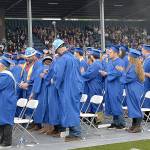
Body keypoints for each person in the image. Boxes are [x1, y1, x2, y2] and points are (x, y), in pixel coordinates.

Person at [52, 39, 83, 142]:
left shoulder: (63, 59)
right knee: (73, 109)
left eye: (56, 50)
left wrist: (54, 81)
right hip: (76, 87)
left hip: (67, 88)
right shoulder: (74, 58)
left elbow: (58, 76)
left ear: (59, 49)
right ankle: (74, 132)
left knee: (70, 110)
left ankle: (76, 134)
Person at [100, 45, 126, 129]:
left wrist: (107, 74)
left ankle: (121, 123)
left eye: (110, 52)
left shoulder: (120, 62)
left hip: (116, 86)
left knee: (116, 103)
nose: (108, 54)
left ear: (115, 53)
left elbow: (118, 73)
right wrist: (104, 73)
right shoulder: (110, 61)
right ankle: (115, 122)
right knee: (111, 103)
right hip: (109, 85)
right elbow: (109, 71)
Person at [121, 49, 144, 133]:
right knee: (132, 107)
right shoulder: (132, 65)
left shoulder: (134, 66)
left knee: (135, 106)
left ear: (131, 57)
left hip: (134, 89)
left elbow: (129, 78)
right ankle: (133, 126)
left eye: (129, 55)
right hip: (132, 88)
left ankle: (138, 126)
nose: (128, 57)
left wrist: (122, 72)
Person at [0, 56, 17, 147]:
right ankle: (2, 140)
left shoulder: (6, 76)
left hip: (7, 102)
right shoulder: (4, 75)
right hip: (4, 101)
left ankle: (7, 142)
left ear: (3, 66)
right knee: (1, 121)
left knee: (6, 121)